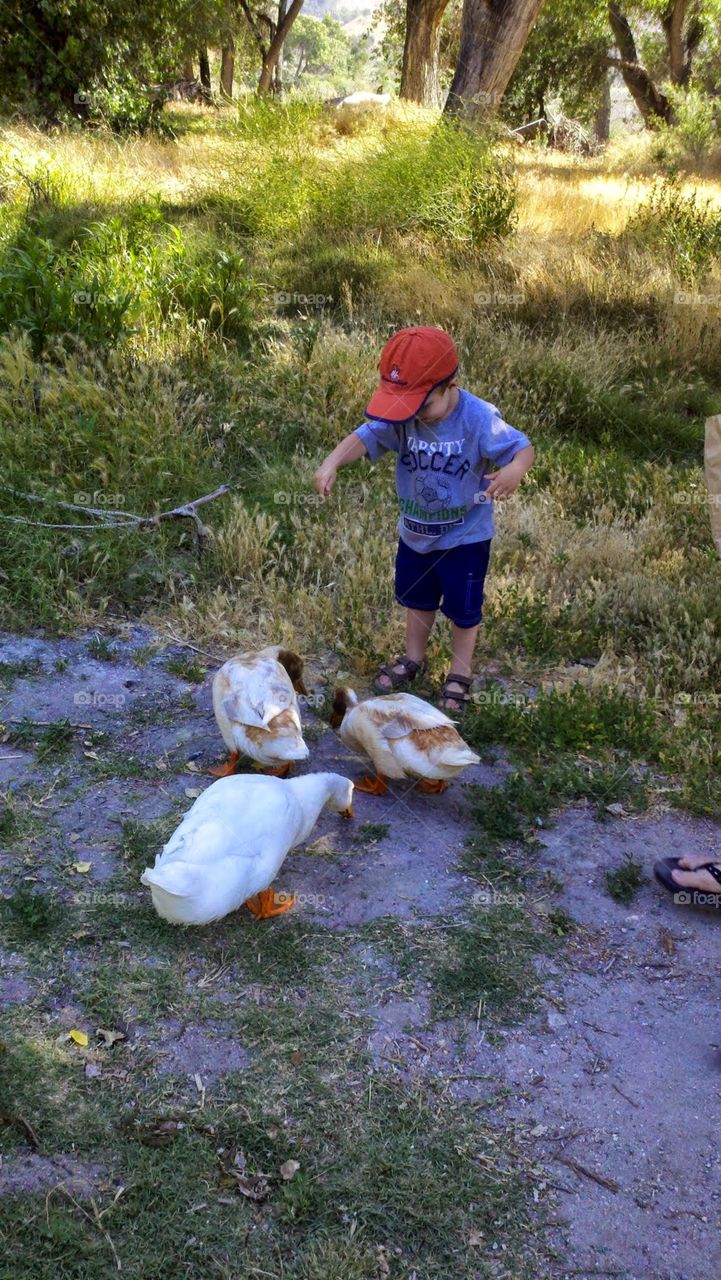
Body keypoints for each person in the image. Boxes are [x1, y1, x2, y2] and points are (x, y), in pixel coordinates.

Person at [312, 325, 534, 710]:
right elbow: (365, 436)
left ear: (450, 385)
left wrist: (515, 470)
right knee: (418, 599)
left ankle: (460, 674)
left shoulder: (479, 418)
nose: (413, 415)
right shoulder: (403, 415)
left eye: (422, 405)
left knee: (464, 612)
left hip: (465, 538)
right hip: (415, 534)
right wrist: (332, 461)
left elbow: (522, 447)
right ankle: (413, 658)